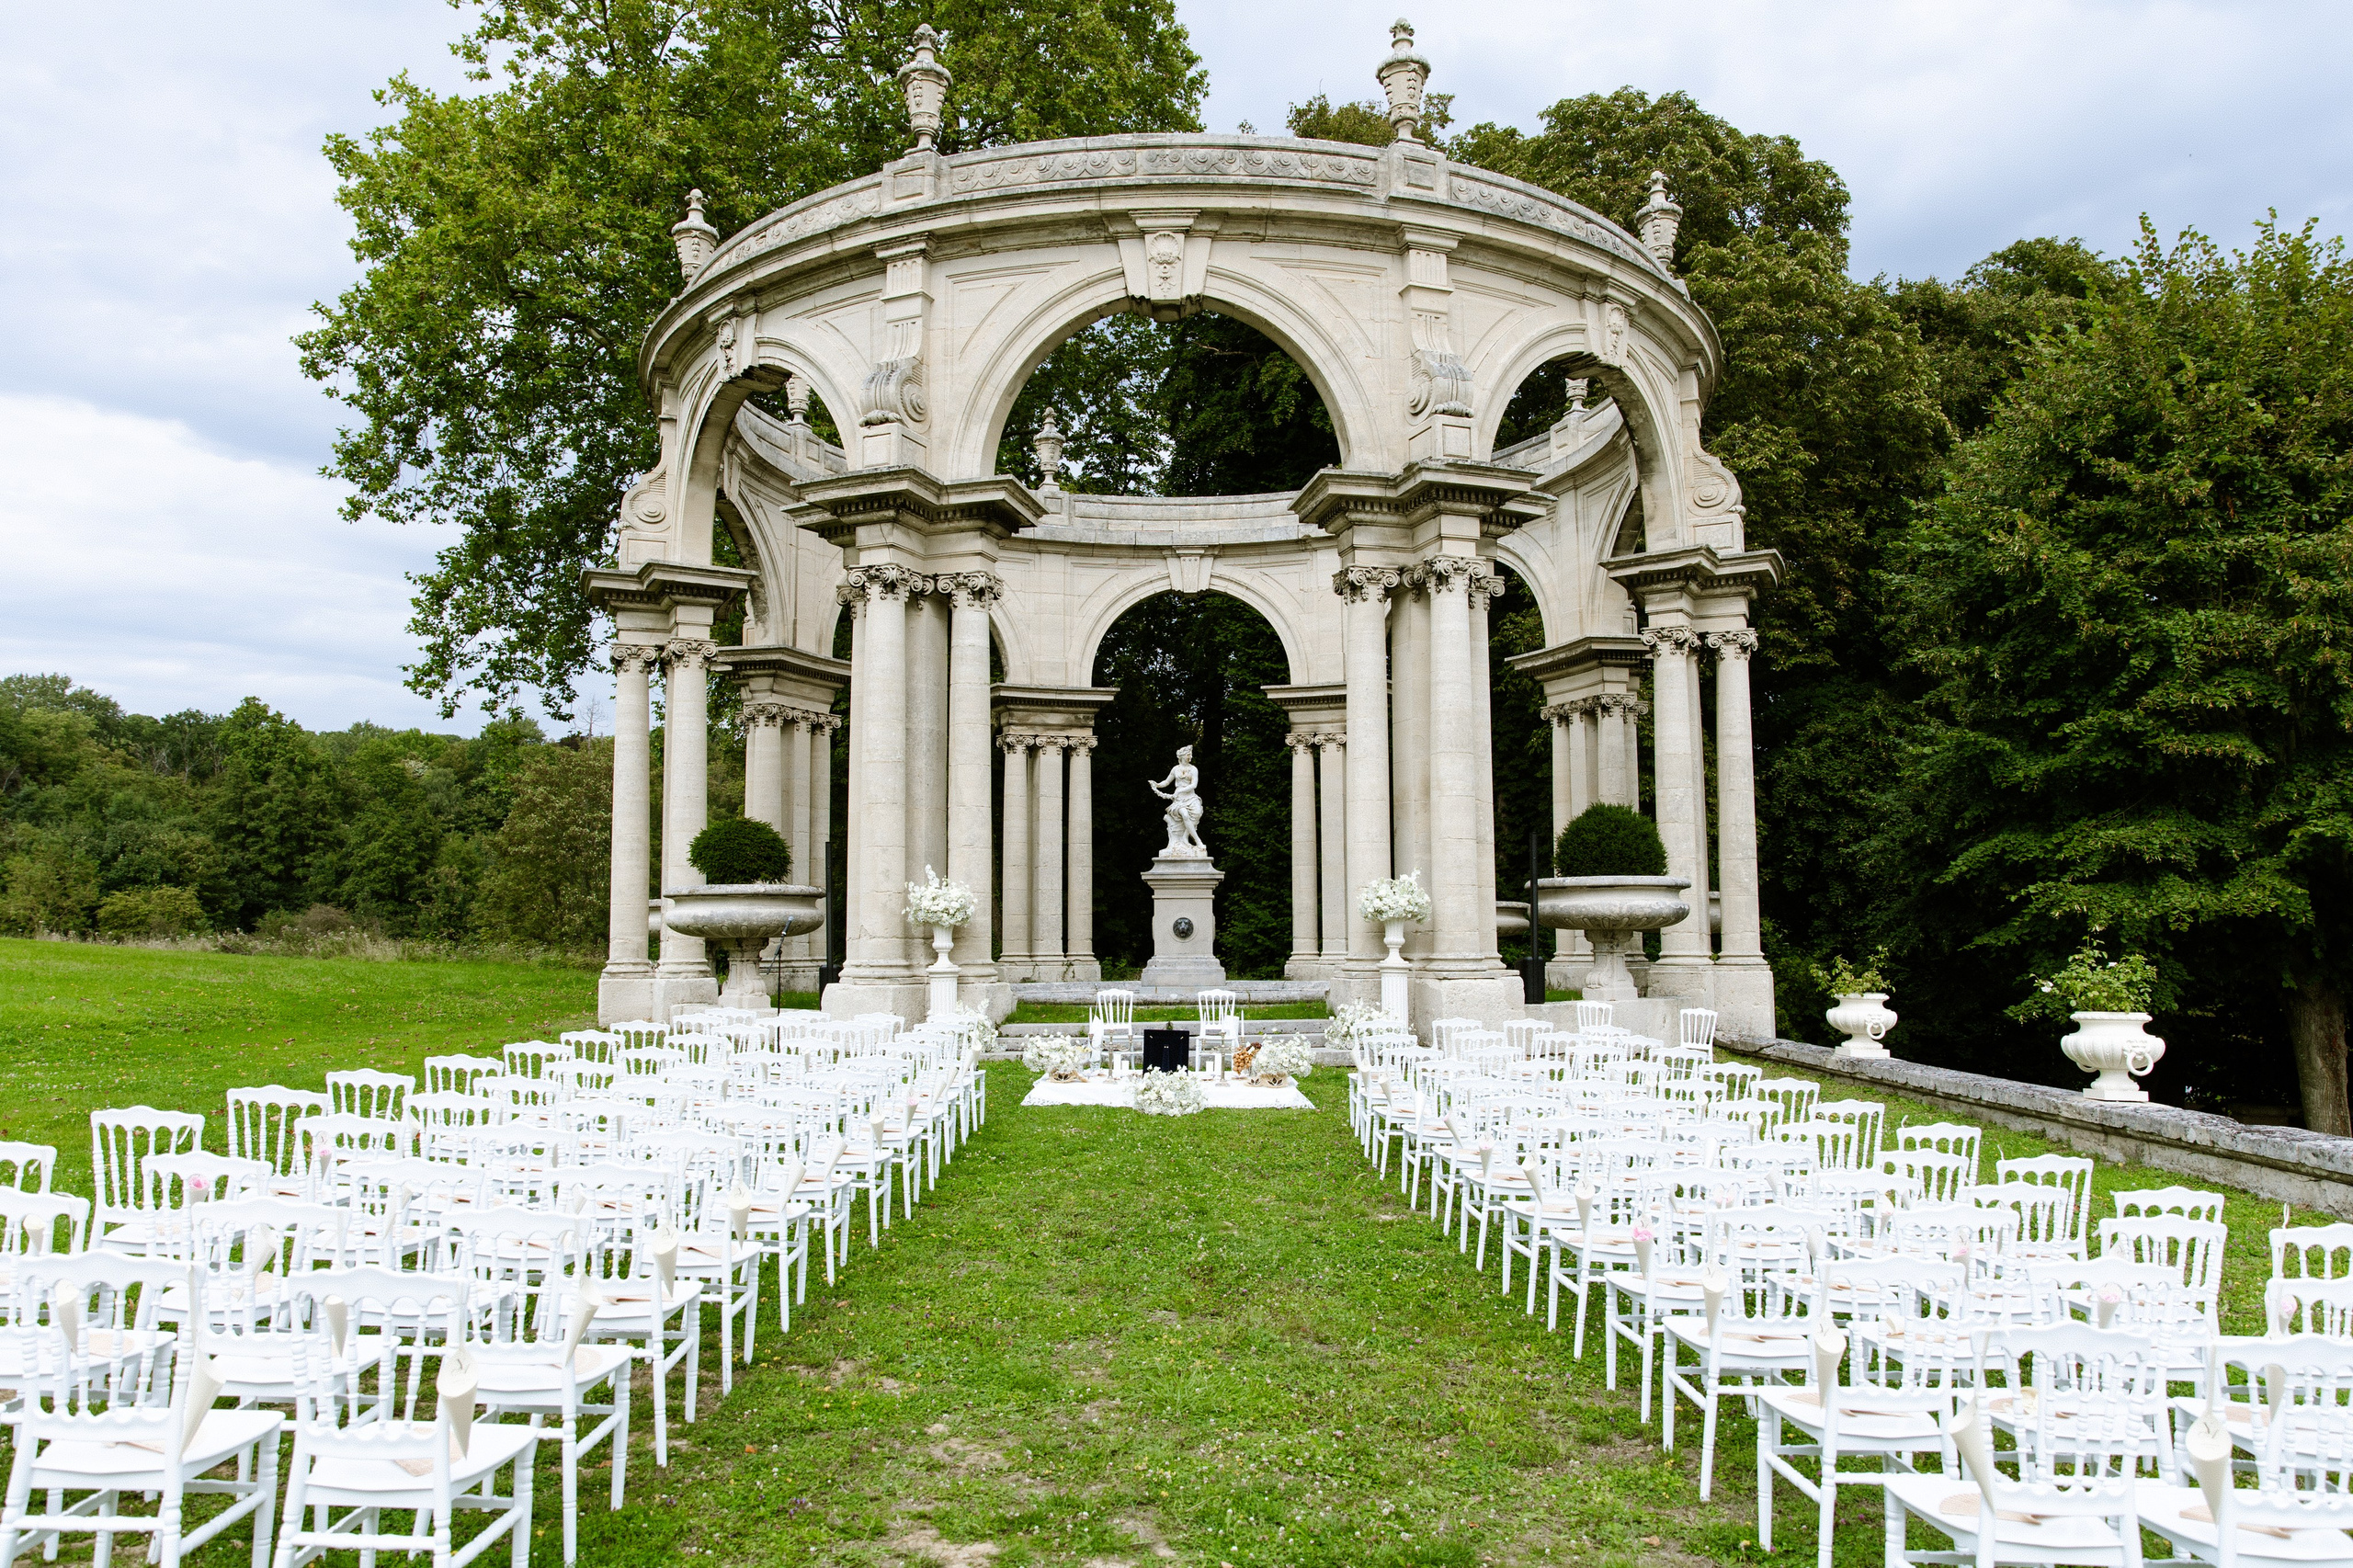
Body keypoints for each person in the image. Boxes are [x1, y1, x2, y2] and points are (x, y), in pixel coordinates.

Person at [1147, 745, 1207, 857]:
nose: (1191, 757)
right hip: (1179, 800)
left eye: (1190, 754)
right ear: (1182, 756)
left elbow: (1194, 785)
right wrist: (1157, 784)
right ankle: (1198, 841)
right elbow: (1166, 782)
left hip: (1191, 797)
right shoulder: (1175, 769)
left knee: (1197, 813)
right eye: (1188, 755)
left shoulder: (1193, 769)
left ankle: (1185, 837)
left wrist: (1180, 791)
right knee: (1184, 814)